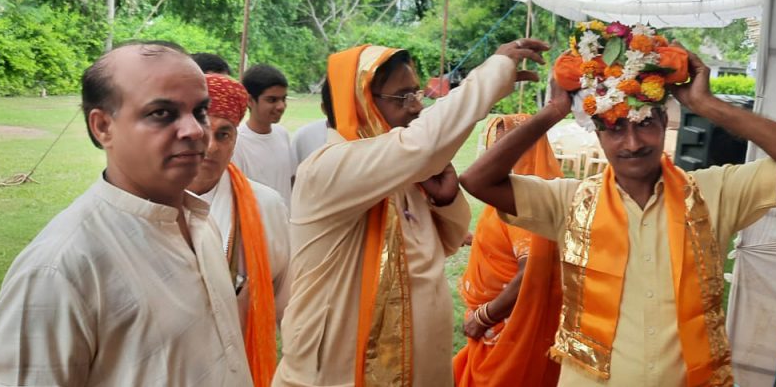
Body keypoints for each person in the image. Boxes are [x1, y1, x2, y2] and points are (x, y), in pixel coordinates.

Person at [460, 22, 776, 386]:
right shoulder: (569, 201)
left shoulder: (714, 192)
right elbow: (478, 180)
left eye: (644, 123)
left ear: (664, 122)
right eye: (615, 127)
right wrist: (554, 110)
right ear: (597, 134)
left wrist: (706, 105)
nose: (633, 143)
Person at [0, 42, 253, 386]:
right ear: (103, 126)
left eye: (199, 111)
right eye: (162, 113)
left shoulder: (198, 220)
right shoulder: (60, 268)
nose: (196, 131)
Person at [273, 39, 549, 387]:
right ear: (359, 103)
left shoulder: (398, 173)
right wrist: (492, 73)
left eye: (416, 93)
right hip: (341, 370)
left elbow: (445, 244)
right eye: (402, 97)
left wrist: (445, 201)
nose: (416, 107)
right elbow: (424, 144)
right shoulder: (328, 168)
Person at [187, 73, 294, 387]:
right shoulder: (152, 203)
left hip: (240, 370)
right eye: (202, 132)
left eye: (224, 135)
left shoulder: (265, 205)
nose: (211, 147)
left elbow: (286, 296)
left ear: (236, 139)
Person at [452, 114, 563, 387]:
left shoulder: (527, 202)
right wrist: (474, 239)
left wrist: (484, 316)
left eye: (506, 145)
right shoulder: (511, 191)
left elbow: (530, 272)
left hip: (506, 327)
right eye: (494, 145)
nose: (496, 154)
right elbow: (509, 242)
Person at [233, 64, 296, 206]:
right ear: (249, 100)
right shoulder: (237, 142)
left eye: (283, 99)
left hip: (283, 224)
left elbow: (291, 180)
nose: (281, 106)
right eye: (272, 100)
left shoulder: (282, 134)